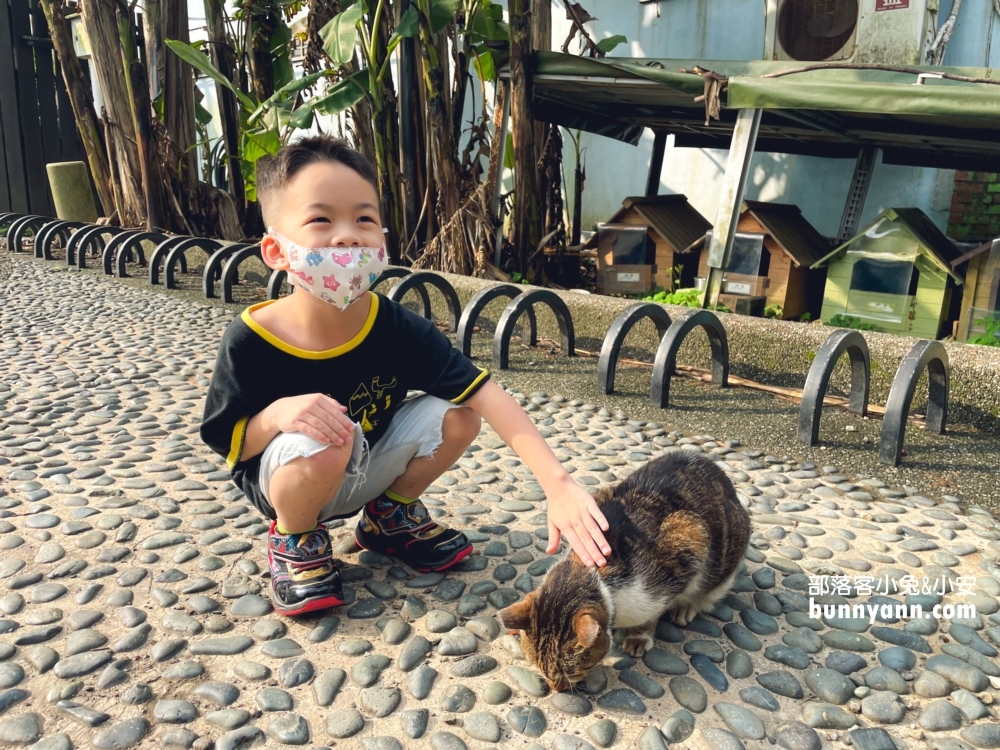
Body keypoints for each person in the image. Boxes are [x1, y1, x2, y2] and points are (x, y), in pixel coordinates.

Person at [200, 135, 611, 616]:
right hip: (291, 478)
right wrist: (276, 417)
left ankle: (387, 518)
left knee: (459, 413)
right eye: (320, 219)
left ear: (383, 239)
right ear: (276, 250)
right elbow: (229, 443)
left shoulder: (395, 324)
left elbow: (486, 394)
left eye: (364, 218)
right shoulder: (251, 337)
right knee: (330, 436)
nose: (348, 234)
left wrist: (558, 483)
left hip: (364, 464)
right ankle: (296, 539)